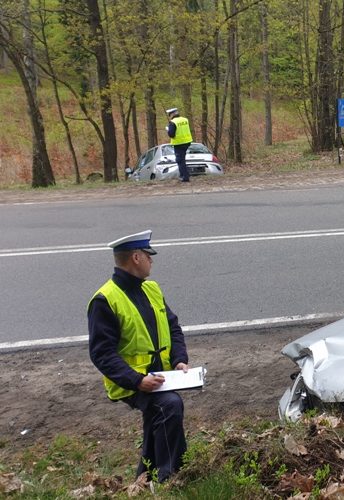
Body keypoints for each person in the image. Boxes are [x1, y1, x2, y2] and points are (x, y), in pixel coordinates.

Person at [88, 230, 189, 482]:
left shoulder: (151, 289)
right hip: (131, 383)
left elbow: (173, 326)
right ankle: (168, 478)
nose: (151, 261)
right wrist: (136, 380)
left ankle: (145, 476)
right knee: (169, 407)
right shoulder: (105, 300)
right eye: (148, 255)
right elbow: (101, 353)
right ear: (136, 257)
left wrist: (179, 358)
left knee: (158, 416)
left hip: (163, 375)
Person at [165, 108, 193, 182]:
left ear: (172, 114)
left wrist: (168, 130)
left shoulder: (173, 122)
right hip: (187, 142)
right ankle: (184, 175)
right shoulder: (185, 119)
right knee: (182, 159)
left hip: (179, 143)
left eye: (169, 115)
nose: (169, 116)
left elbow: (171, 134)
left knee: (180, 160)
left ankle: (185, 177)